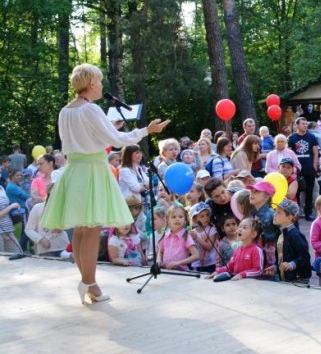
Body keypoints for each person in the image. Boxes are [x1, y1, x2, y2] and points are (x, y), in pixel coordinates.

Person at [39, 63, 169, 304]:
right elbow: (118, 141)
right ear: (91, 84)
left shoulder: (65, 111)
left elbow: (82, 139)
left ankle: (88, 283)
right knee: (91, 231)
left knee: (80, 230)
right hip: (92, 171)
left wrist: (109, 130)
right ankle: (90, 284)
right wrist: (146, 130)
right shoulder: (91, 110)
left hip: (74, 171)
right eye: (98, 82)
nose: (100, 86)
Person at [207, 217, 263, 282]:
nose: (239, 229)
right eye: (240, 227)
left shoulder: (256, 250)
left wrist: (242, 274)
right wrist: (218, 271)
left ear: (253, 234)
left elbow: (258, 270)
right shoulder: (237, 250)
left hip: (252, 287)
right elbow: (230, 267)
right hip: (237, 287)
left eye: (244, 227)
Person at [288, 117, 320, 221]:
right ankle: (295, 212)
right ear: (297, 125)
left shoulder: (312, 137)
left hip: (309, 167)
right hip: (296, 169)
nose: (305, 125)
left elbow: (316, 153)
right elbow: (289, 154)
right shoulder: (291, 138)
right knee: (295, 191)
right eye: (303, 124)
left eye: (306, 124)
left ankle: (308, 213)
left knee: (309, 191)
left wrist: (315, 166)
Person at [24, 183, 70, 256]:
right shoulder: (38, 208)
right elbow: (28, 229)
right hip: (46, 250)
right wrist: (40, 239)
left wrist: (62, 227)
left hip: (63, 247)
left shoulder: (65, 207)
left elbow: (71, 224)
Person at [274, 198, 311, 282]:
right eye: (275, 212)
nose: (274, 215)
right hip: (286, 278)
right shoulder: (281, 235)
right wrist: (275, 267)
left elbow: (305, 257)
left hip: (298, 279)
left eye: (278, 213)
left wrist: (292, 264)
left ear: (289, 217)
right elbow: (281, 257)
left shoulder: (296, 235)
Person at [158, 203, 200, 271]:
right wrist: (158, 260)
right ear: (168, 220)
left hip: (181, 272)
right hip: (166, 270)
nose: (177, 219)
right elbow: (160, 251)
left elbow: (196, 255)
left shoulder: (185, 236)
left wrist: (178, 263)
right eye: (174, 217)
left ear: (185, 221)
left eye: (180, 217)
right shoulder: (165, 235)